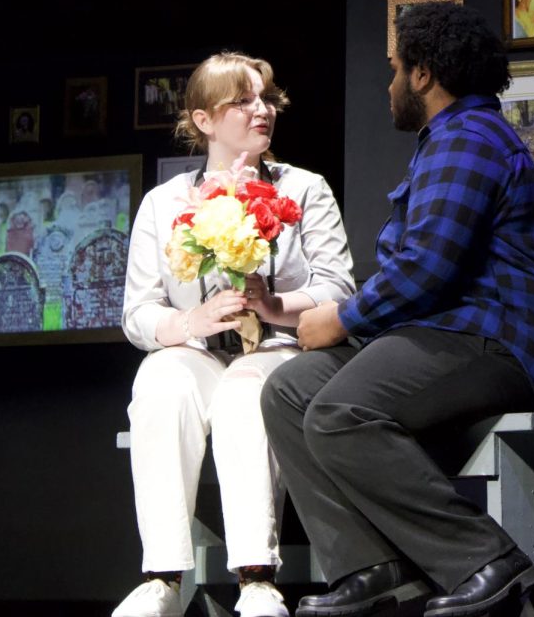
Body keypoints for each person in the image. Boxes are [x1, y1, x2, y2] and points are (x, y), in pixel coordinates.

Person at [260, 3, 534, 617]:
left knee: (339, 411)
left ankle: (486, 558)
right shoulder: (446, 141)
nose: (388, 85)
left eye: (393, 70)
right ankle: (371, 568)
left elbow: (428, 269)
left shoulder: (468, 138)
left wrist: (340, 319)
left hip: (504, 340)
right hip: (451, 332)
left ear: (423, 74)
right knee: (289, 390)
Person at [116, 52, 355, 617]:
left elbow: (338, 287)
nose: (261, 110)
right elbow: (138, 312)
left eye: (267, 98)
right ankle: (162, 578)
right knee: (159, 381)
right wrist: (185, 324)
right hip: (199, 351)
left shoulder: (304, 187)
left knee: (248, 390)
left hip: (277, 349)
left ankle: (255, 577)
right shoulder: (164, 202)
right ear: (203, 120)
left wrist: (274, 306)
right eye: (243, 101)